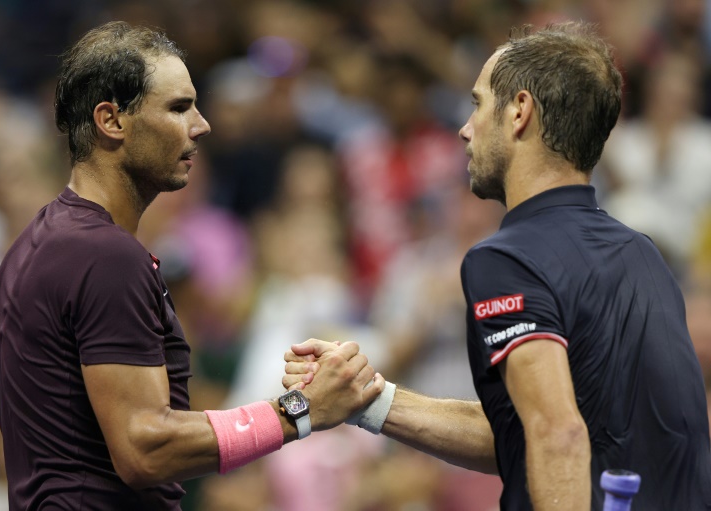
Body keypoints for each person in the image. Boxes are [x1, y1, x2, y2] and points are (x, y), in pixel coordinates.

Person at [284, 21, 711, 511]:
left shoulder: (506, 258)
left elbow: (557, 435)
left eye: (478, 103)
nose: (465, 129)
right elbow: (529, 434)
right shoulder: (644, 253)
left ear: (519, 112)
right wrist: (368, 399)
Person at [0, 21, 384, 511]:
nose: (202, 125)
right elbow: (146, 449)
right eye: (178, 108)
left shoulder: (39, 241)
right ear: (111, 120)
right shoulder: (104, 255)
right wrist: (300, 411)